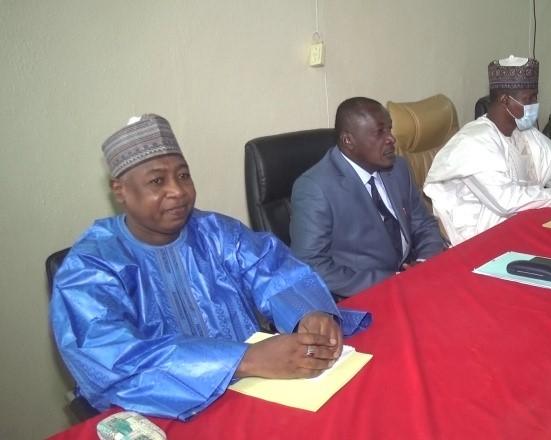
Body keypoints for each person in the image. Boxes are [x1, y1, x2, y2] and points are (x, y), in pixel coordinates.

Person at [50, 114, 370, 420]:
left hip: (260, 393)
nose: (178, 191)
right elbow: (113, 360)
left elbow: (276, 273)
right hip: (160, 414)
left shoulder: (217, 232)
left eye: (183, 175)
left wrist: (309, 314)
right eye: (157, 181)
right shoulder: (90, 267)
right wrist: (245, 360)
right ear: (120, 190)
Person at [424, 56, 551, 245]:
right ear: (505, 100)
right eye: (529, 98)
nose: (535, 104)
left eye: (535, 96)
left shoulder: (525, 131)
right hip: (477, 241)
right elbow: (508, 201)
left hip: (521, 227)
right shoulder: (474, 142)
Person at [290, 97, 446, 299]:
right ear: (348, 141)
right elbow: (312, 264)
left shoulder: (398, 167)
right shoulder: (315, 188)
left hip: (414, 280)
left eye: (389, 129)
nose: (391, 139)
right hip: (363, 295)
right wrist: (394, 281)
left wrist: (424, 263)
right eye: (380, 132)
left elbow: (423, 224)